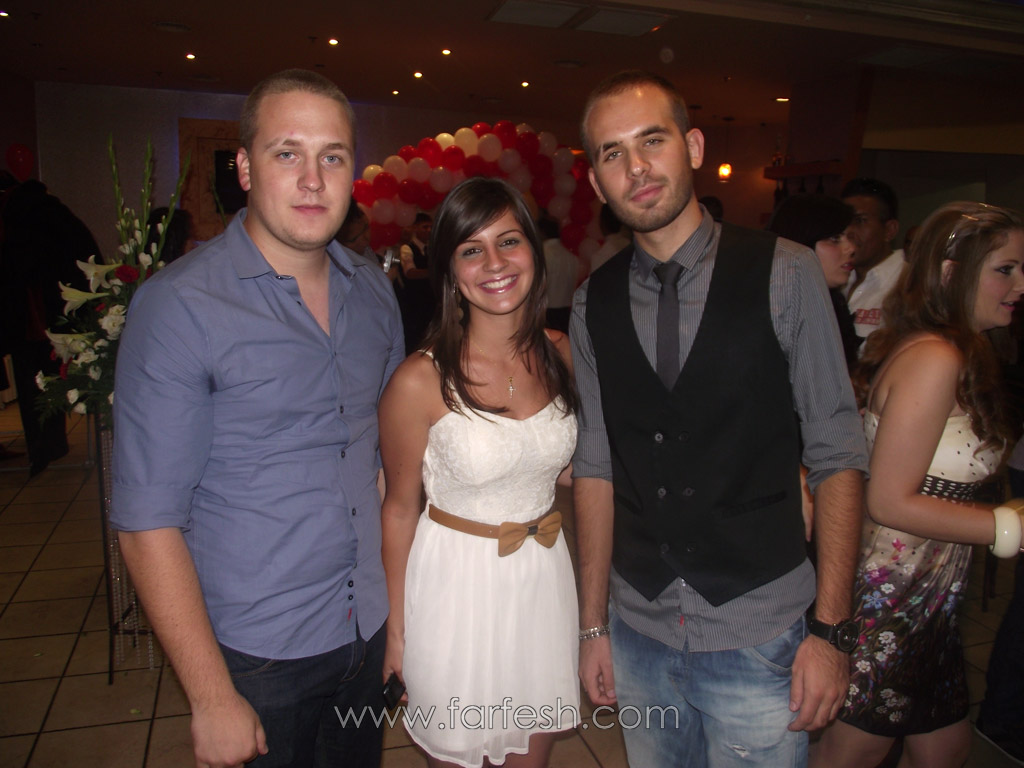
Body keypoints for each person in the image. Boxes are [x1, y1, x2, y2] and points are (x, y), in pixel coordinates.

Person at [572, 70, 868, 767]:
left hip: (758, 628)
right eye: (613, 153)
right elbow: (595, 466)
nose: (636, 167)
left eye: (653, 140)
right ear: (596, 183)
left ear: (694, 147)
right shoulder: (592, 301)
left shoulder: (787, 272)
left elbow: (837, 452)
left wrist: (831, 631)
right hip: (639, 630)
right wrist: (592, 626)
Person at [111, 69, 404, 768]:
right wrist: (211, 695)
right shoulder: (180, 307)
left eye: (332, 156)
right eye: (287, 153)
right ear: (244, 168)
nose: (313, 180)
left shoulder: (374, 293)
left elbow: (389, 465)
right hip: (257, 654)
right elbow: (147, 521)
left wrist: (401, 617)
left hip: (367, 626)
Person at [812, 202, 1024, 768]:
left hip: (929, 599)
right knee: (852, 752)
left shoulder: (953, 350)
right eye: (1005, 269)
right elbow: (889, 500)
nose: (1021, 285)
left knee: (944, 748)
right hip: (893, 598)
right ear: (952, 272)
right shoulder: (935, 357)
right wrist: (1008, 525)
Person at [380, 177, 579, 768]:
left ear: (533, 251)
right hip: (454, 589)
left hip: (542, 581)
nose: (495, 263)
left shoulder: (562, 353)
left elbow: (569, 467)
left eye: (509, 241)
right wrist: (397, 631)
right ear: (450, 269)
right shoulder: (419, 379)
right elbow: (398, 509)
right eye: (472, 249)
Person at [767, 194, 861, 367]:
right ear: (801, 242)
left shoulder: (834, 305)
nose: (851, 248)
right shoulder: (772, 312)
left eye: (850, 237)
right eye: (835, 239)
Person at [842, 177, 905, 345]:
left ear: (889, 230)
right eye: (844, 221)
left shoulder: (908, 283)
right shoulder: (835, 278)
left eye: (860, 221)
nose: (848, 232)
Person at [398, 211, 435, 353]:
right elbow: (410, 273)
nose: (429, 230)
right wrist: (434, 273)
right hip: (414, 304)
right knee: (415, 343)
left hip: (431, 303)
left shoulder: (432, 249)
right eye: (425, 227)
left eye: (431, 227)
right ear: (415, 228)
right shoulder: (407, 248)